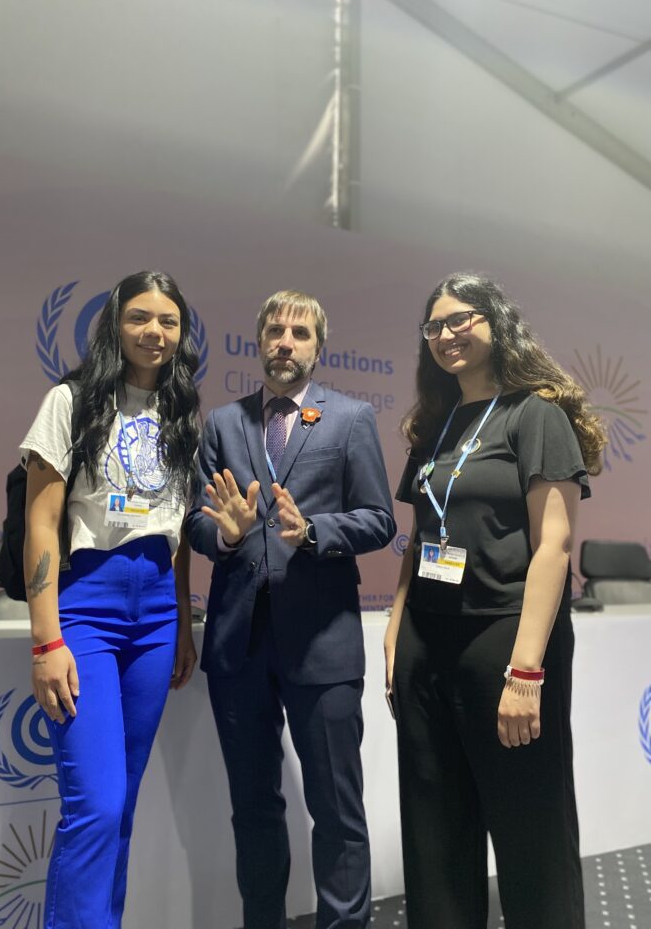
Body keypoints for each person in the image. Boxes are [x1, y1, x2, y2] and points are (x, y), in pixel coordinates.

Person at [384, 273, 606, 929]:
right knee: (435, 830)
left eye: (462, 320)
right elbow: (421, 538)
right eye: (434, 326)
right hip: (428, 637)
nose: (447, 335)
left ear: (495, 323)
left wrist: (528, 671)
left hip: (506, 641)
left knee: (529, 827)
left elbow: (554, 546)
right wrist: (398, 631)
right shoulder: (435, 425)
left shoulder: (536, 415)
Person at [186, 289, 395, 929]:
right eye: (275, 330)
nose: (285, 342)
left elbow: (379, 520)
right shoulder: (223, 423)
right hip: (237, 645)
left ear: (317, 347)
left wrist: (312, 533)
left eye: (299, 333)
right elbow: (196, 521)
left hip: (322, 644)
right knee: (253, 806)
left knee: (337, 808)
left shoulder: (351, 419)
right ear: (258, 341)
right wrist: (224, 533)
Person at [20, 270, 200, 928]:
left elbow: (176, 531)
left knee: (119, 803)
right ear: (115, 324)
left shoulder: (182, 412)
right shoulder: (69, 401)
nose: (155, 332)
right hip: (87, 608)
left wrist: (181, 626)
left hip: (155, 612)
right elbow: (42, 524)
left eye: (169, 321)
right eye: (140, 318)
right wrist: (47, 642)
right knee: (93, 804)